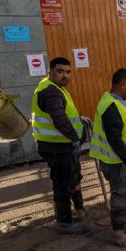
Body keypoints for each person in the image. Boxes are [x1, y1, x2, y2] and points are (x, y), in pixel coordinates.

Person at [31, 57, 90, 234]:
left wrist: (79, 120)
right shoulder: (51, 91)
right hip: (57, 147)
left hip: (58, 145)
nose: (65, 75)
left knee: (73, 177)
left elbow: (60, 113)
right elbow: (59, 119)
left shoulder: (54, 87)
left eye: (68, 72)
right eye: (60, 71)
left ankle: (79, 210)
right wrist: (75, 140)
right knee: (63, 182)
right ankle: (65, 222)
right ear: (49, 72)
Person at [90, 68, 126, 247]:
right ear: (122, 84)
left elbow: (124, 128)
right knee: (123, 198)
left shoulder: (119, 102)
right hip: (118, 163)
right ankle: (118, 233)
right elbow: (114, 137)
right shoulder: (110, 105)